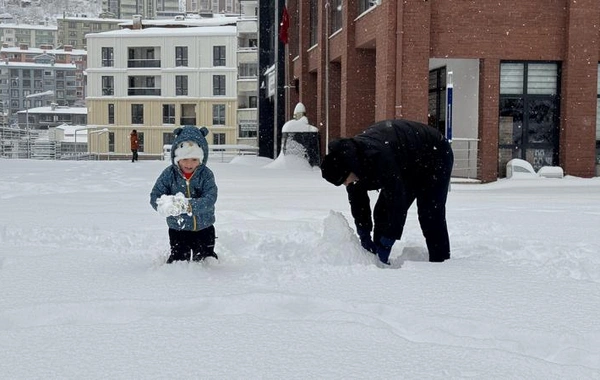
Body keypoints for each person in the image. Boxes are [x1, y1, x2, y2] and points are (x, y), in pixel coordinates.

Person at [320, 119, 454, 265]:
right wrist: (363, 233)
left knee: (430, 211)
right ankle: (378, 257)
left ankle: (440, 261)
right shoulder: (351, 162)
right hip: (405, 160)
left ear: (348, 170)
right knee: (382, 212)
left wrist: (389, 239)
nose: (346, 184)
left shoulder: (378, 158)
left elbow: (397, 200)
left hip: (434, 153)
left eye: (344, 180)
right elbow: (359, 201)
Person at [150, 126, 218, 263]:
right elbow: (155, 195)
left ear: (201, 158)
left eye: (194, 159)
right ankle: (177, 272)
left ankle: (209, 266)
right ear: (177, 158)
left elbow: (210, 198)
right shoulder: (169, 175)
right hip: (178, 228)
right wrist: (164, 205)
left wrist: (188, 206)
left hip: (204, 226)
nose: (189, 164)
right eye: (185, 159)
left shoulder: (206, 175)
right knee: (179, 258)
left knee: (206, 259)